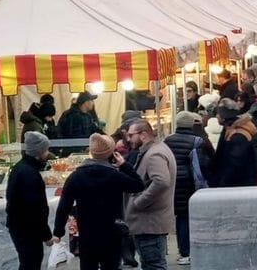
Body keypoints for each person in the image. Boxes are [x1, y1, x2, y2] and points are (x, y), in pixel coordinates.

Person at [53, 133, 145, 270]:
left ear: (90, 152)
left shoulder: (76, 176)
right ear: (111, 154)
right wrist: (124, 165)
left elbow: (64, 206)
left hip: (87, 233)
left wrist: (58, 232)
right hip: (112, 232)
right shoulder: (114, 175)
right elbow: (138, 185)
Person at [124, 120, 176, 270]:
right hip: (150, 221)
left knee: (153, 265)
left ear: (144, 134)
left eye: (131, 135)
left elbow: (161, 182)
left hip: (150, 222)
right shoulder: (154, 150)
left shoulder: (154, 154)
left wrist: (139, 202)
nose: (128, 139)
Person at [165, 112, 213, 266]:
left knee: (181, 217)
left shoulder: (167, 140)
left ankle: (183, 251)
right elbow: (203, 164)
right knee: (188, 216)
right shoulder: (197, 141)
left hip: (173, 182)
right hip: (190, 183)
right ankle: (190, 250)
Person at [6, 131, 53, 270]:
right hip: (27, 229)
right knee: (31, 263)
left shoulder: (21, 168)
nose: (48, 153)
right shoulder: (30, 175)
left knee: (28, 262)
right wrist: (47, 235)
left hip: (20, 226)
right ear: (38, 152)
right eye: (46, 150)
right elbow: (35, 209)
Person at [209, 97, 257, 187]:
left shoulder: (237, 135)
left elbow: (235, 164)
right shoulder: (229, 131)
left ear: (224, 116)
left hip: (236, 186)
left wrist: (223, 183)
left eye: (218, 113)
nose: (216, 116)